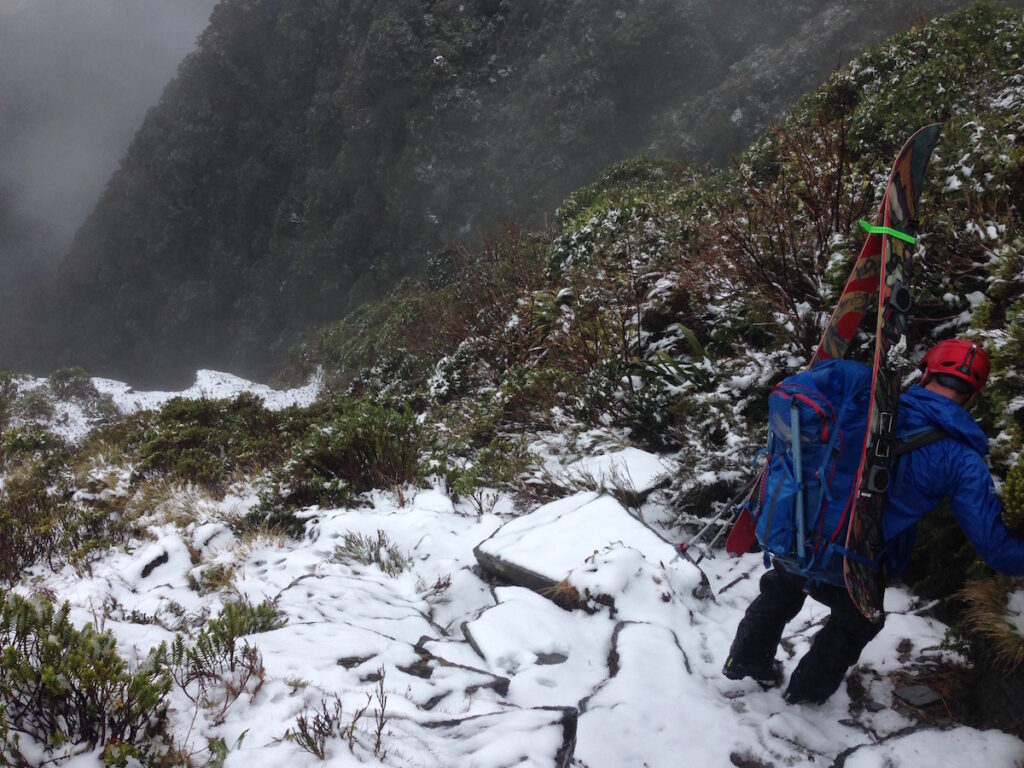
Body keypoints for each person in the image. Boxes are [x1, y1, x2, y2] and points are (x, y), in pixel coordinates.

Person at [722, 338, 1024, 704]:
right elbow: (995, 548)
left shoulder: (868, 401)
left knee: (782, 587)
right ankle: (804, 697)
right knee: (859, 620)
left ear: (925, 372)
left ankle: (745, 665)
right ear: (973, 395)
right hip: (855, 558)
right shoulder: (963, 460)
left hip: (801, 526)